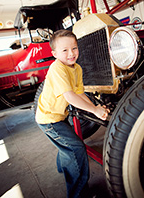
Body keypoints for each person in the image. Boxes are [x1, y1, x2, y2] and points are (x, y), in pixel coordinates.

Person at [35, 29, 109, 198]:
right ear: (54, 54)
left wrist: (96, 108)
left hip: (58, 116)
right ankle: (78, 194)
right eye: (65, 50)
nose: (71, 54)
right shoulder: (57, 69)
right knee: (75, 149)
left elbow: (80, 93)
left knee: (66, 145)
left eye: (74, 48)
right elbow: (70, 96)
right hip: (49, 119)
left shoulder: (76, 68)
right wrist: (95, 110)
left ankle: (62, 168)